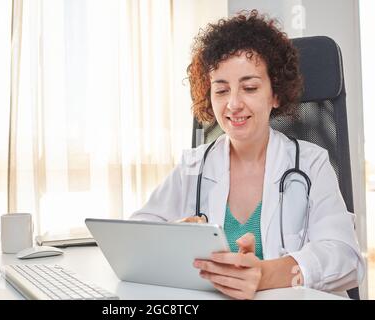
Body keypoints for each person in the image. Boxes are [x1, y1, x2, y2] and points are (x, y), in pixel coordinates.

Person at [130, 10, 364, 300]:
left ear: (275, 94)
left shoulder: (310, 163)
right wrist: (175, 235)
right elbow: (137, 235)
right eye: (221, 90)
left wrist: (262, 275)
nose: (233, 104)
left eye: (249, 87)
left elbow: (346, 258)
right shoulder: (194, 166)